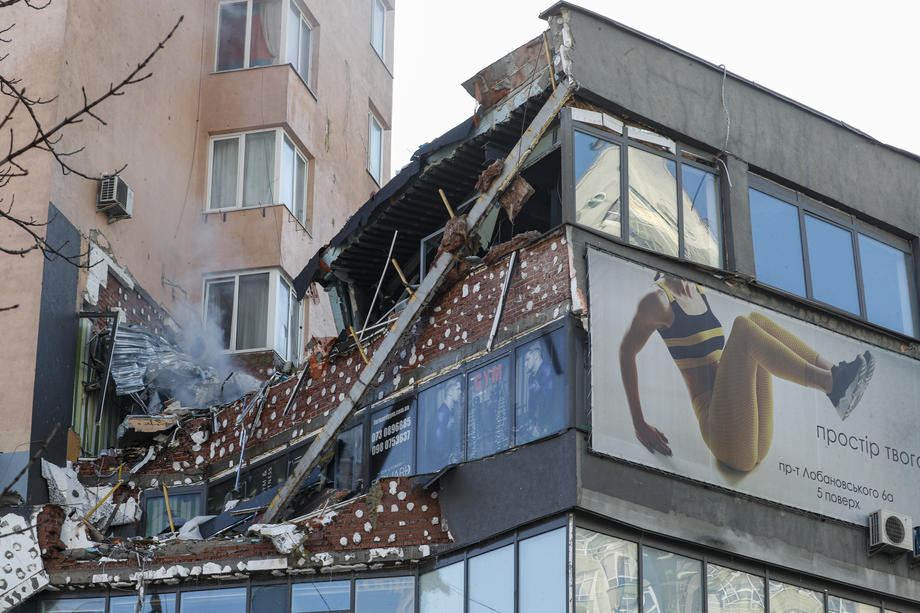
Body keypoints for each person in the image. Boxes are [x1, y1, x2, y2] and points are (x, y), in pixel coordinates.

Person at [619, 273, 876, 472]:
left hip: (752, 438)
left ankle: (835, 375)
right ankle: (832, 385)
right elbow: (626, 351)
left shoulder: (698, 289)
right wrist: (638, 423)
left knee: (755, 320)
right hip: (721, 433)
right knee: (742, 327)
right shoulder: (657, 300)